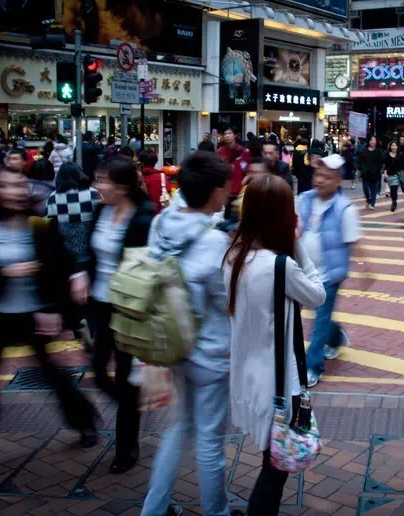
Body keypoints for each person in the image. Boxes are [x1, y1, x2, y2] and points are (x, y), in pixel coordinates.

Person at [0, 166, 97, 486]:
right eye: (6, 185)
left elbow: (61, 267)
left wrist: (53, 309)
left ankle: (85, 422)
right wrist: (4, 273)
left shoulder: (38, 224)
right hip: (0, 317)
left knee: (54, 377)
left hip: (34, 316)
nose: (15, 191)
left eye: (19, 184)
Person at [141, 152, 236, 516]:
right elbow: (227, 300)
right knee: (210, 439)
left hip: (171, 345)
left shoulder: (162, 222)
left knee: (179, 427)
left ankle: (154, 508)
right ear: (213, 192)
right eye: (225, 187)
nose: (229, 192)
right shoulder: (213, 242)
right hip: (209, 352)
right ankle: (216, 512)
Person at [224, 175, 325, 513]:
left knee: (272, 455)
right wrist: (297, 244)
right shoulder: (279, 266)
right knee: (277, 464)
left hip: (247, 374)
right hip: (279, 381)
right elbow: (318, 295)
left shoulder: (233, 256)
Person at [85, 158, 156, 474]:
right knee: (99, 372)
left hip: (128, 308)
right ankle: (131, 408)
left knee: (126, 375)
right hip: (100, 306)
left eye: (102, 180)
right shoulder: (100, 212)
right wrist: (80, 276)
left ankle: (126, 447)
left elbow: (150, 267)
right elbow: (89, 254)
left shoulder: (143, 219)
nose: (97, 186)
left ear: (123, 187)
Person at [299, 154, 361, 388]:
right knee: (320, 317)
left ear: (337, 181)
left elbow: (354, 241)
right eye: (318, 175)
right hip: (301, 271)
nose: (320, 180)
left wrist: (366, 269)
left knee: (320, 320)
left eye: (326, 177)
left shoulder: (345, 208)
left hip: (328, 275)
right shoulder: (303, 199)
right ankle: (335, 335)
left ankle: (313, 367)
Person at [217, 127, 251, 198]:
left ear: (235, 135)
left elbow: (249, 172)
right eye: (225, 134)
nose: (227, 136)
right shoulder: (219, 152)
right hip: (224, 193)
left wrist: (241, 184)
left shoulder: (244, 152)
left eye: (230, 133)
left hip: (240, 193)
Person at [360, 136, 384, 209]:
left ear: (376, 142)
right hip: (365, 173)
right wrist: (360, 168)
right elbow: (360, 160)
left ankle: (372, 204)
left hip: (375, 173)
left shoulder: (379, 150)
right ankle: (368, 200)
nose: (372, 141)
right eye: (371, 140)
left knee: (373, 189)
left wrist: (379, 170)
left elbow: (381, 162)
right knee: (365, 188)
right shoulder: (364, 150)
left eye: (374, 140)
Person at [385, 141, 404, 212]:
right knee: (392, 190)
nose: (393, 147)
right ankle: (394, 201)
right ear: (390, 147)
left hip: (397, 175)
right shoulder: (387, 155)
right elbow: (386, 166)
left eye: (395, 145)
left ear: (397, 147)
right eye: (392, 145)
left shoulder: (400, 155)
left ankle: (393, 203)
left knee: (394, 189)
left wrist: (403, 175)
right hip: (390, 175)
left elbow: (402, 166)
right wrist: (385, 174)